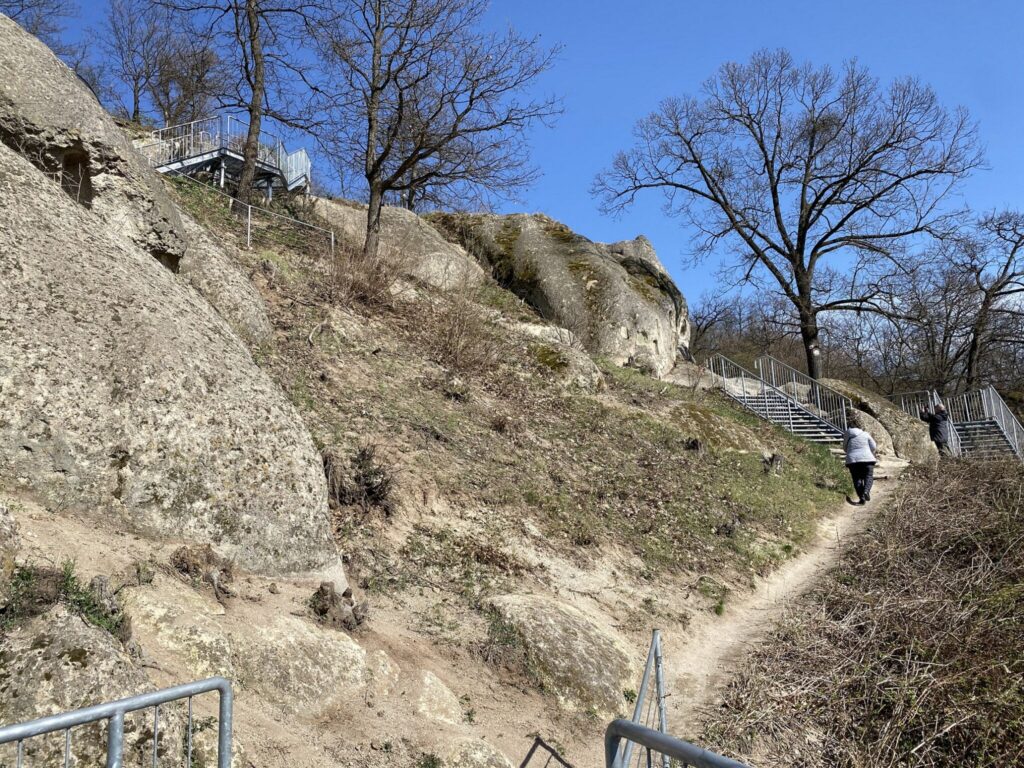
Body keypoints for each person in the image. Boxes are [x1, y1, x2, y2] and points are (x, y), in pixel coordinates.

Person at [844, 425, 877, 506]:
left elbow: (844, 448)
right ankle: (866, 491)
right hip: (867, 459)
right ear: (860, 428)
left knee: (857, 479)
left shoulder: (847, 436)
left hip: (852, 460)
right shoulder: (865, 434)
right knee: (868, 476)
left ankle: (862, 499)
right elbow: (874, 446)